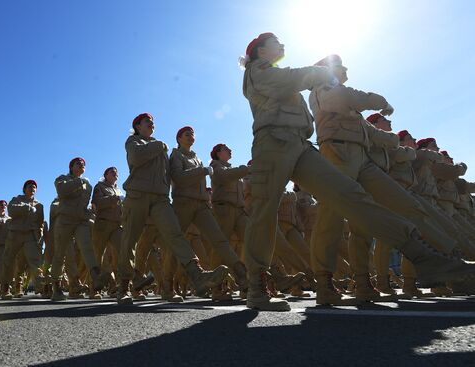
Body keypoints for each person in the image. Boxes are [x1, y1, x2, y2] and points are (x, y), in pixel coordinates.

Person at [241, 32, 475, 310]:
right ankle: (256, 285)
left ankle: (423, 255)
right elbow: (290, 79)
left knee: (351, 196)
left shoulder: (280, 74)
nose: (282, 44)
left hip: (300, 145)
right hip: (273, 142)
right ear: (261, 51)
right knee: (265, 210)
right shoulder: (258, 71)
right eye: (276, 42)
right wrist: (320, 72)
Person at [117, 113, 228, 305]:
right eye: (147, 122)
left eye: (153, 123)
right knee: (129, 241)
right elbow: (136, 158)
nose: (152, 125)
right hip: (138, 195)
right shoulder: (133, 142)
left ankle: (197, 274)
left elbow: (169, 174)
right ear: (137, 126)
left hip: (160, 198)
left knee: (175, 234)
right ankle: (124, 287)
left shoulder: (160, 148)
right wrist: (159, 145)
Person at [170, 126, 248, 300]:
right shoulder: (176, 155)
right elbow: (179, 178)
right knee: (175, 242)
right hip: (183, 202)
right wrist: (202, 171)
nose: (191, 136)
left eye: (192, 134)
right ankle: (168, 287)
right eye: (186, 134)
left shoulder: (196, 157)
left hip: (201, 205)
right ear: (179, 138)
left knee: (219, 240)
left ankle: (242, 275)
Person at [51, 158, 108, 301]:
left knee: (87, 248)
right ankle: (56, 287)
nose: (82, 165)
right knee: (60, 254)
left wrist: (90, 214)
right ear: (71, 166)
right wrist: (79, 181)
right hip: (64, 220)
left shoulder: (88, 185)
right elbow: (62, 192)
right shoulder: (62, 179)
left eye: (84, 164)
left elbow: (83, 205)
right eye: (78, 164)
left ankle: (96, 278)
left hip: (80, 221)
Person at [0, 180, 45, 299]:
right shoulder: (16, 200)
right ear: (24, 189)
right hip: (15, 234)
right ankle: (6, 288)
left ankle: (42, 286)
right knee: (9, 261)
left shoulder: (39, 205)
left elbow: (40, 223)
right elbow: (12, 210)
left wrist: (39, 238)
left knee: (35, 262)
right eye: (30, 186)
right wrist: (27, 208)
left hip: (30, 236)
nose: (32, 188)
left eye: (34, 187)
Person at [91, 166, 124, 299]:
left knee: (124, 251)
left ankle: (124, 286)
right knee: (97, 256)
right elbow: (96, 203)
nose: (116, 174)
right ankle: (94, 289)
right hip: (103, 225)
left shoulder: (118, 189)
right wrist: (114, 199)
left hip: (117, 225)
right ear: (105, 175)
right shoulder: (100, 187)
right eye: (112, 172)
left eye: (117, 172)